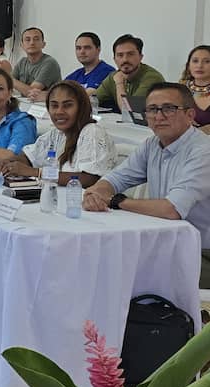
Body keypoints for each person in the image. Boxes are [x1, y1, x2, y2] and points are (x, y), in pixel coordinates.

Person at [82, 83, 210, 286]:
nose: (159, 116)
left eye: (169, 109)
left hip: (200, 252)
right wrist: (96, 193)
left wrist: (117, 201)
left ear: (190, 115)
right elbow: (115, 178)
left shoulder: (203, 151)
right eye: (152, 109)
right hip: (166, 240)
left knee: (119, 273)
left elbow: (172, 210)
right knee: (97, 260)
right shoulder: (152, 145)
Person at [0, 81, 117, 187]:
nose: (59, 112)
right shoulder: (56, 134)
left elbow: (89, 179)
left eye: (67, 106)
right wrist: (9, 164)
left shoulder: (92, 132)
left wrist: (35, 172)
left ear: (81, 107)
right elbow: (29, 157)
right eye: (54, 106)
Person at [93, 34, 165, 112]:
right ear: (114, 59)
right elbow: (92, 101)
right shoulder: (113, 76)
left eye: (130, 54)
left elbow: (129, 111)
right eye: (120, 55)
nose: (125, 60)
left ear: (140, 57)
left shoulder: (152, 78)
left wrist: (119, 83)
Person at [12, 27, 62, 101]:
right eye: (27, 40)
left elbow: (32, 92)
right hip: (27, 104)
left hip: (46, 107)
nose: (32, 43)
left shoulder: (50, 63)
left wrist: (9, 79)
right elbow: (6, 85)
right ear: (22, 45)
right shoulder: (22, 62)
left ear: (43, 44)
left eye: (36, 39)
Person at [181, 45, 210, 133]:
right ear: (188, 65)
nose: (200, 65)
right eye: (195, 61)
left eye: (207, 61)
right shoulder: (180, 90)